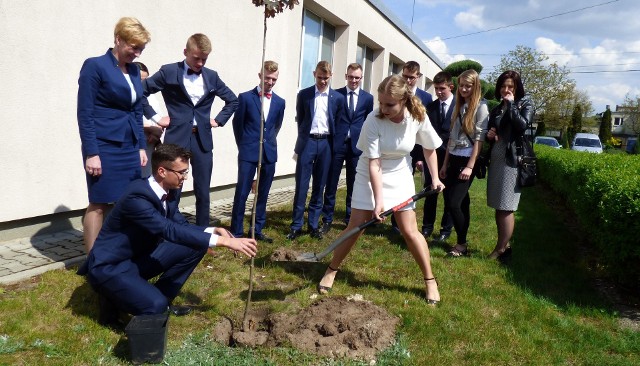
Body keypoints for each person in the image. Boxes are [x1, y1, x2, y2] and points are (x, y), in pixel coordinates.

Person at [79, 143, 257, 325]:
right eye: (182, 172)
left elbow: (180, 225)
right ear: (162, 171)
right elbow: (168, 230)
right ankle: (116, 300)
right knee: (155, 306)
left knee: (196, 246)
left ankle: (157, 297)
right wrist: (223, 242)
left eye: (186, 172)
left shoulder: (167, 192)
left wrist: (212, 231)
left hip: (135, 259)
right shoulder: (137, 197)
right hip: (110, 266)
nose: (185, 178)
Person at [317, 75, 444, 305]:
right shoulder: (372, 120)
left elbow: (429, 148)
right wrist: (378, 202)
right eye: (381, 103)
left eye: (389, 104)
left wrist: (434, 177)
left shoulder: (418, 117)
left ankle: (430, 280)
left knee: (409, 230)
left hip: (400, 173)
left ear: (404, 100)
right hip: (370, 173)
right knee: (356, 227)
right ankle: (332, 268)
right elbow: (374, 163)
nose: (383, 108)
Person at [143, 33, 238, 226]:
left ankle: (202, 235)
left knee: (203, 190)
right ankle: (167, 231)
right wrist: (156, 118)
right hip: (176, 140)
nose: (200, 63)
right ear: (185, 52)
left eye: (204, 59)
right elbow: (140, 91)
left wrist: (219, 120)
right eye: (196, 58)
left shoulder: (212, 76)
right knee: (172, 191)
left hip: (202, 140)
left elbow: (233, 100)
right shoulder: (168, 71)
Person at [77, 17, 151, 253]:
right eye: (133, 47)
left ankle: (117, 252)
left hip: (129, 146)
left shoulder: (133, 70)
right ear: (118, 40)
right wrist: (92, 153)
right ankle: (93, 262)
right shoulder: (95, 66)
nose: (137, 53)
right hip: (103, 146)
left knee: (127, 200)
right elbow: (85, 113)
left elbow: (137, 110)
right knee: (99, 203)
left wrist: (140, 146)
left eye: (141, 49)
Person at [287, 61, 345, 240]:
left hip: (326, 143)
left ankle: (312, 225)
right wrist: (304, 140)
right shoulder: (304, 95)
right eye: (320, 77)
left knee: (320, 186)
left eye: (326, 78)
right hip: (308, 143)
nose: (322, 81)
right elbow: (301, 119)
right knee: (302, 186)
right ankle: (296, 225)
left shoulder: (337, 98)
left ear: (331, 76)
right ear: (314, 74)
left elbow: (338, 122)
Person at [230, 61, 286, 242]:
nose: (270, 82)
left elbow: (276, 127)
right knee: (242, 192)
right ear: (260, 75)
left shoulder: (280, 102)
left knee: (263, 192)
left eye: (274, 79)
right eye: (268, 78)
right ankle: (236, 231)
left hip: (269, 153)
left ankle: (257, 229)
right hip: (248, 152)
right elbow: (237, 125)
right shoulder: (245, 98)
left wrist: (268, 142)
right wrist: (244, 145)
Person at [439, 69, 489, 257]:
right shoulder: (458, 106)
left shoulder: (481, 107)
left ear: (475, 86)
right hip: (453, 158)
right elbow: (451, 139)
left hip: (468, 160)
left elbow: (479, 140)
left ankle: (461, 244)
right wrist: (444, 164)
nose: (464, 89)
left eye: (468, 86)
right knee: (461, 204)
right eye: (461, 85)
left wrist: (470, 166)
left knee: (454, 203)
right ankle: (463, 241)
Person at [320, 63, 374, 234]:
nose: (354, 80)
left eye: (357, 77)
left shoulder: (368, 98)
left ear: (361, 78)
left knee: (354, 184)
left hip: (356, 147)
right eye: (351, 77)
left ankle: (350, 218)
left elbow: (368, 122)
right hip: (337, 145)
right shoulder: (336, 94)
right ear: (346, 76)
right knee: (331, 183)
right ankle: (327, 218)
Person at [485, 70, 533, 260]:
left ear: (516, 88)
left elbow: (522, 126)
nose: (506, 90)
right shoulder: (497, 108)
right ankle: (503, 245)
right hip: (497, 157)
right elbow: (494, 130)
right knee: (499, 205)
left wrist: (512, 104)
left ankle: (501, 249)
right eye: (503, 86)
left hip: (512, 160)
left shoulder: (525, 104)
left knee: (506, 206)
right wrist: (491, 135)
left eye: (510, 87)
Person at [391, 60, 433, 233]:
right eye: (405, 76)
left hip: (418, 148)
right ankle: (395, 223)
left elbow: (427, 130)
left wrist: (422, 157)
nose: (408, 81)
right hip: (400, 147)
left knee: (418, 188)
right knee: (398, 184)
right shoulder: (395, 94)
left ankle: (414, 224)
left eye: (411, 78)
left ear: (419, 77)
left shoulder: (427, 98)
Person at [419, 71, 455, 241]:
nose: (439, 92)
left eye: (442, 88)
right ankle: (427, 227)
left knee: (449, 195)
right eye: (436, 89)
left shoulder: (460, 106)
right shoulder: (431, 108)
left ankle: (445, 230)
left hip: (453, 157)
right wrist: (420, 157)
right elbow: (424, 134)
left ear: (451, 87)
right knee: (430, 192)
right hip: (432, 157)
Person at [134, 62, 167, 178]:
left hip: (151, 143)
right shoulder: (128, 95)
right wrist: (150, 129)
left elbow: (159, 117)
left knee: (149, 176)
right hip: (136, 143)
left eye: (145, 79)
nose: (143, 83)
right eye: (140, 79)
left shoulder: (150, 96)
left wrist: (157, 131)